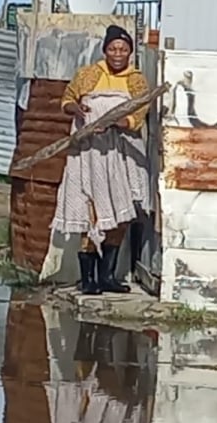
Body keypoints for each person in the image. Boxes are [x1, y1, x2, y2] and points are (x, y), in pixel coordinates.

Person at [54, 25, 152, 295]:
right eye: (112, 49)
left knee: (121, 213)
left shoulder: (137, 80)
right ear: (105, 51)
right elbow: (67, 100)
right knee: (91, 211)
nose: (118, 54)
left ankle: (107, 276)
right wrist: (79, 109)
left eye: (123, 49)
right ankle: (88, 280)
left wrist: (119, 122)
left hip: (121, 153)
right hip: (89, 152)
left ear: (130, 52)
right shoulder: (88, 75)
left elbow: (140, 112)